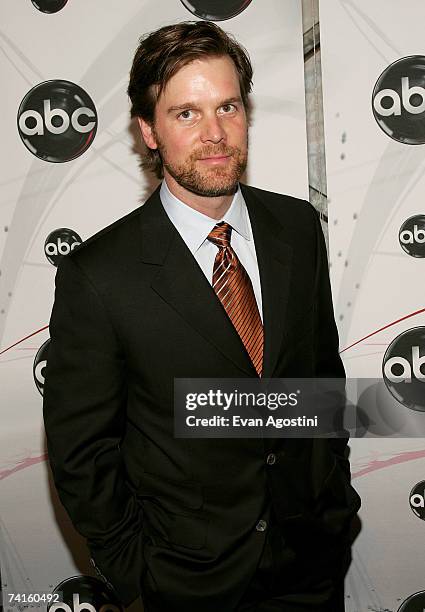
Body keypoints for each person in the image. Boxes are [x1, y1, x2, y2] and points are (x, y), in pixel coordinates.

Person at [43, 20, 361, 612]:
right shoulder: (100, 275)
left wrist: (333, 497)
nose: (214, 134)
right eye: (186, 114)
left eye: (228, 107)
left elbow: (318, 376)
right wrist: (139, 571)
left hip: (311, 561)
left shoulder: (296, 228)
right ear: (149, 131)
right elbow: (82, 453)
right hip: (188, 582)